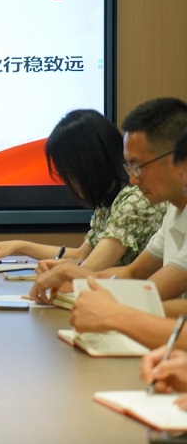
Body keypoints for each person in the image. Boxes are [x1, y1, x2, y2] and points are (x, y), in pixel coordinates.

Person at [37, 99, 187, 350]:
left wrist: (112, 311)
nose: (133, 179)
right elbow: (135, 273)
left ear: (178, 158)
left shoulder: (138, 200)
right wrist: (75, 274)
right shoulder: (174, 209)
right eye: (129, 166)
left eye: (139, 166)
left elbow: (151, 292)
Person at [0, 109, 165, 269]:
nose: (69, 182)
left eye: (68, 172)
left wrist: (62, 270)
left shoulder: (135, 200)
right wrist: (18, 246)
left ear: (89, 164)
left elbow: (90, 268)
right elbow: (81, 255)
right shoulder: (110, 199)